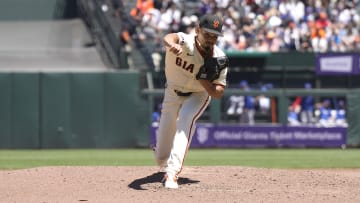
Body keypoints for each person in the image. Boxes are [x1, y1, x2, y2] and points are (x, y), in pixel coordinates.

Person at [153, 14, 228, 189]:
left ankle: (172, 174)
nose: (211, 39)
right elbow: (169, 37)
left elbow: (218, 93)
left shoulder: (219, 58)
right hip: (172, 92)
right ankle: (163, 157)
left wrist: (205, 82)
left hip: (198, 94)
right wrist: (171, 44)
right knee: (161, 156)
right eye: (207, 33)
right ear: (197, 30)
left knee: (185, 121)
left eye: (215, 36)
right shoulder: (184, 41)